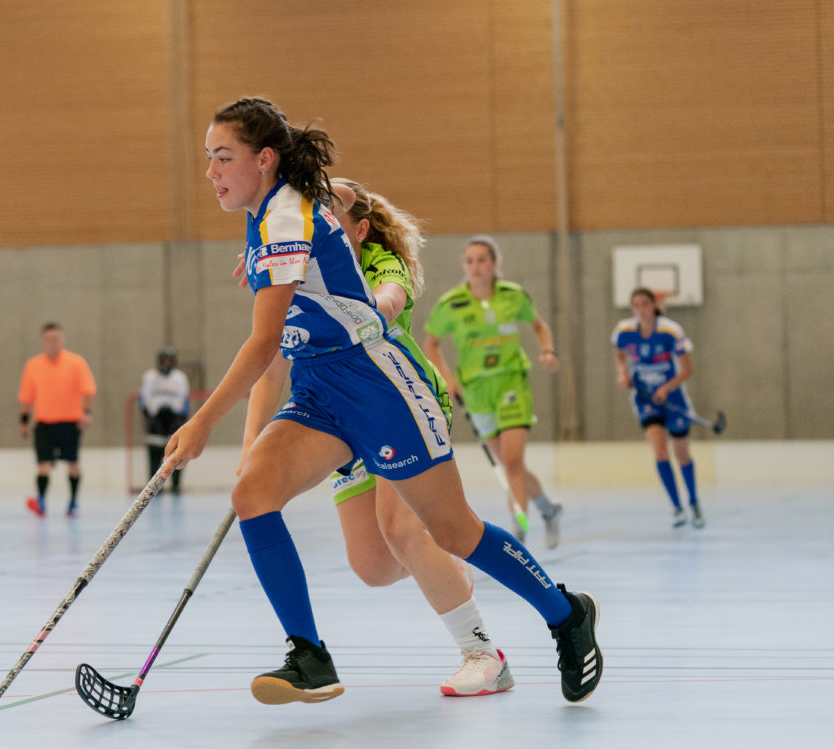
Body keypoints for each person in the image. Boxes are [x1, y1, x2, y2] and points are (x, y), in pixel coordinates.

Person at [163, 96, 601, 706]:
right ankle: (308, 656)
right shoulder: (268, 210)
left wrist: (202, 422)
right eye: (208, 159)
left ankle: (565, 614)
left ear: (264, 160)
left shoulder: (285, 218)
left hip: (375, 385)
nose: (210, 172)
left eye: (221, 158)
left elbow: (264, 344)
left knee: (454, 531)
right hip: (319, 388)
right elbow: (323, 205)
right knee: (253, 494)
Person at [316, 178, 512, 696]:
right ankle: (447, 566)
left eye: (331, 207)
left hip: (400, 402)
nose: (320, 214)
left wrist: (359, 319)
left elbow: (388, 299)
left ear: (359, 228)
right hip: (340, 417)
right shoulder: (299, 266)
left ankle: (482, 655)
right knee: (373, 566)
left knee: (400, 528)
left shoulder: (380, 262)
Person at [422, 236, 565, 548]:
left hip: (511, 383)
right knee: (511, 466)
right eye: (470, 260)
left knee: (512, 461)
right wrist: (446, 377)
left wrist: (548, 351)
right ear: (464, 265)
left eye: (482, 260)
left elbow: (539, 325)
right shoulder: (451, 304)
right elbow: (431, 343)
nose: (476, 266)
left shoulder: (513, 297)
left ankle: (519, 534)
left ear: (495, 264)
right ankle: (549, 510)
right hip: (475, 392)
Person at [612, 287, 704, 528]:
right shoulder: (624, 331)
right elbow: (620, 356)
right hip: (645, 400)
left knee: (681, 453)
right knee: (660, 451)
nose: (641, 310)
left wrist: (666, 388)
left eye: (645, 304)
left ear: (654, 305)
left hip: (674, 400)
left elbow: (687, 370)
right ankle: (676, 507)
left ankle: (694, 501)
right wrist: (623, 374)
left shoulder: (670, 331)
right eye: (636, 305)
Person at [18, 322, 97, 518]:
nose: (53, 343)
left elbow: (88, 390)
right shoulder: (33, 365)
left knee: (73, 463)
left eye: (56, 339)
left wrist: (86, 413)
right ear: (43, 341)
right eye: (49, 340)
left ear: (62, 340)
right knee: (43, 464)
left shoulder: (76, 363)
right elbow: (27, 397)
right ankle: (42, 501)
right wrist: (24, 422)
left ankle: (73, 501)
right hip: (45, 423)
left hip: (70, 422)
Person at [139, 346, 191, 494]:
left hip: (174, 419)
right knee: (154, 454)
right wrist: (146, 415)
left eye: (170, 360)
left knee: (176, 454)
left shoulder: (180, 378)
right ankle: (154, 487)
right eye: (164, 360)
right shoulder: (150, 377)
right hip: (156, 420)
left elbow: (184, 401)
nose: (166, 363)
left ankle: (176, 486)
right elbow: (144, 399)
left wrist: (183, 421)